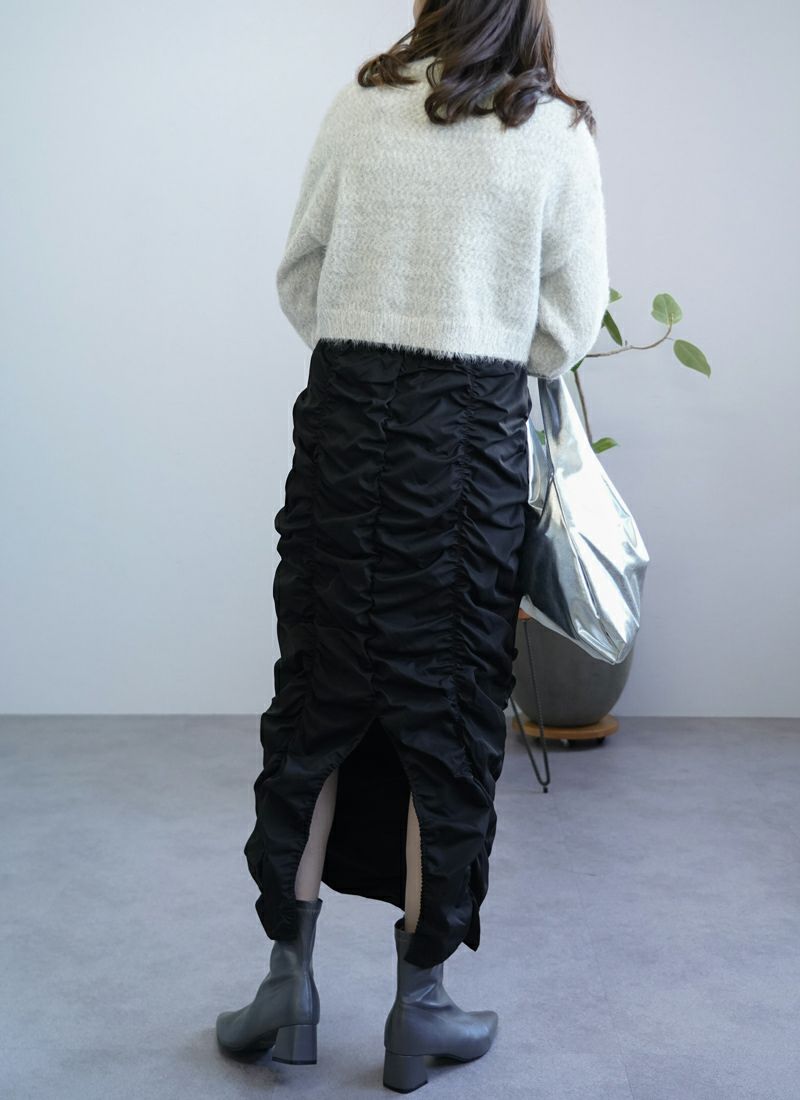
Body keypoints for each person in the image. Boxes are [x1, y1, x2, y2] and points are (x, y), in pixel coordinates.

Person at [215, 0, 609, 1091]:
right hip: (466, 447)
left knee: (316, 703)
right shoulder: (553, 132)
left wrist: (370, 355)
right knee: (445, 719)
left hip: (345, 426)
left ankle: (287, 985)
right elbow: (568, 323)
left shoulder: (364, 102)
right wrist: (471, 352)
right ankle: (418, 1006)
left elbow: (301, 272)